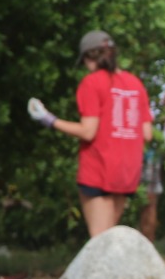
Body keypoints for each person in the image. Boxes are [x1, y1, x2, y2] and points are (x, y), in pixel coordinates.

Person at [28, 31, 151, 237]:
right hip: (126, 172)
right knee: (109, 238)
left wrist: (49, 120)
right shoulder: (135, 84)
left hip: (98, 170)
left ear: (89, 57)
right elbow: (147, 133)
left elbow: (88, 131)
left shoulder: (92, 82)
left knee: (100, 240)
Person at [139, 79, 165, 242]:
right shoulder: (162, 79)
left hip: (151, 147)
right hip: (144, 144)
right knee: (147, 200)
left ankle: (148, 244)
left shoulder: (161, 80)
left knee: (149, 200)